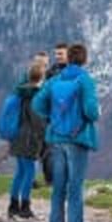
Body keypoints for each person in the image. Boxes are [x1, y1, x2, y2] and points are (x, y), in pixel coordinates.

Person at [32, 43, 99, 222]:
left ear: (68, 58)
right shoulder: (85, 80)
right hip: (77, 138)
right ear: (85, 60)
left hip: (56, 138)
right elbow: (91, 112)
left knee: (58, 186)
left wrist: (53, 117)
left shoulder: (55, 79)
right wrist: (95, 113)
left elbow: (37, 104)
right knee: (75, 187)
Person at [8, 59, 47, 219]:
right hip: (29, 139)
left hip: (18, 135)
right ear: (41, 77)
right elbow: (37, 121)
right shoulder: (35, 96)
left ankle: (13, 205)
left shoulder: (22, 92)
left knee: (20, 172)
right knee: (29, 172)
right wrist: (46, 135)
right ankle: (25, 206)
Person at [41, 43, 69, 184]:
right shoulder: (51, 73)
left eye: (61, 54)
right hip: (52, 116)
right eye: (56, 54)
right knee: (49, 148)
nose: (58, 57)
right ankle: (51, 179)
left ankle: (62, 178)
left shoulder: (73, 72)